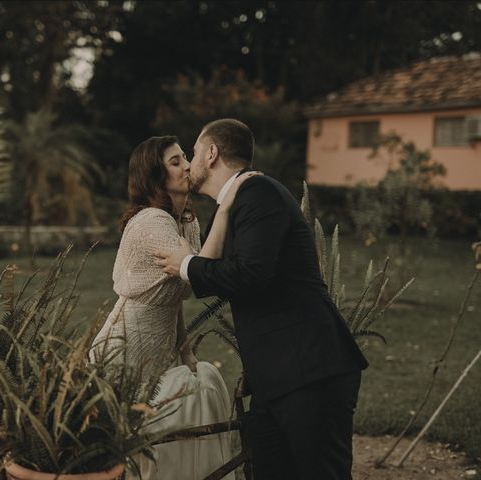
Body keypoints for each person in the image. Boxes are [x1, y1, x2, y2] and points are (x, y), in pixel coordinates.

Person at [154, 119, 369, 480]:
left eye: (193, 152)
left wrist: (186, 265)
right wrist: (194, 260)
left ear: (212, 153)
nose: (190, 163)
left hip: (310, 371)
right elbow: (227, 272)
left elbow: (251, 275)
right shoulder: (239, 201)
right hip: (278, 378)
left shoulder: (259, 194)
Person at [89, 135, 256, 480]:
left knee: (179, 418)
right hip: (126, 349)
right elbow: (196, 276)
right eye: (175, 162)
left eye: (185, 158)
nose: (186, 166)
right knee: (137, 445)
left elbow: (174, 293)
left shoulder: (187, 222)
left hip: (161, 348)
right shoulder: (152, 221)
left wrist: (184, 350)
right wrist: (225, 209)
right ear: (154, 176)